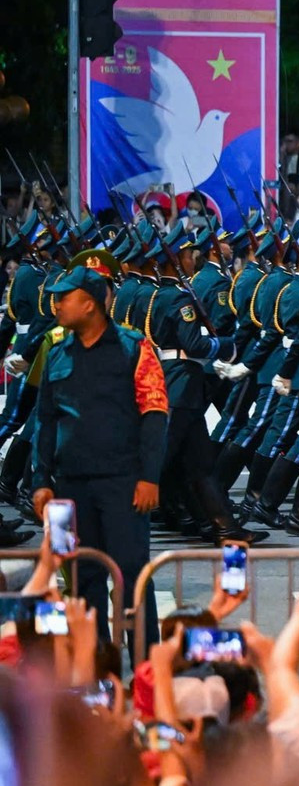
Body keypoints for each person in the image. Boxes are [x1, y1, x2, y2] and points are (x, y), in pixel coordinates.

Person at [29, 249, 168, 641]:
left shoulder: (133, 348)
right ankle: (96, 671)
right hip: (70, 487)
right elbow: (45, 422)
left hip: (123, 484)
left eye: (64, 297)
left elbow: (155, 414)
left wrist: (149, 478)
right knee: (81, 579)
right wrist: (41, 480)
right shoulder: (57, 353)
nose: (56, 304)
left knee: (131, 575)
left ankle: (143, 667)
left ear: (89, 304)